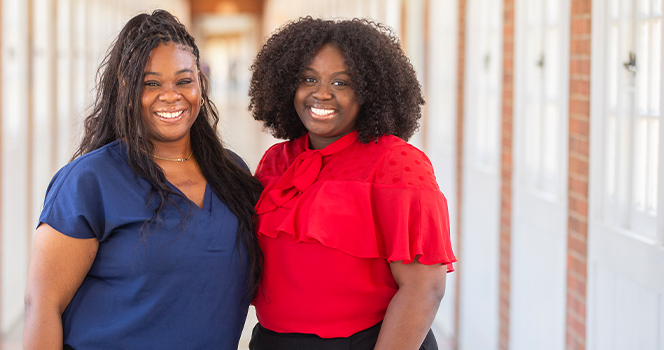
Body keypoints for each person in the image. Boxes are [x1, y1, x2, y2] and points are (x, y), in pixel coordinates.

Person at [23, 10, 262, 350]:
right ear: (126, 87)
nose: (171, 95)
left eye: (184, 80)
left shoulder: (232, 175)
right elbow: (42, 305)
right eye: (151, 83)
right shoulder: (90, 182)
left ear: (200, 83)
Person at [247, 17, 457, 350]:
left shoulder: (397, 164)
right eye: (309, 79)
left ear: (369, 91)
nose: (321, 94)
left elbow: (424, 289)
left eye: (341, 83)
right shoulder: (276, 161)